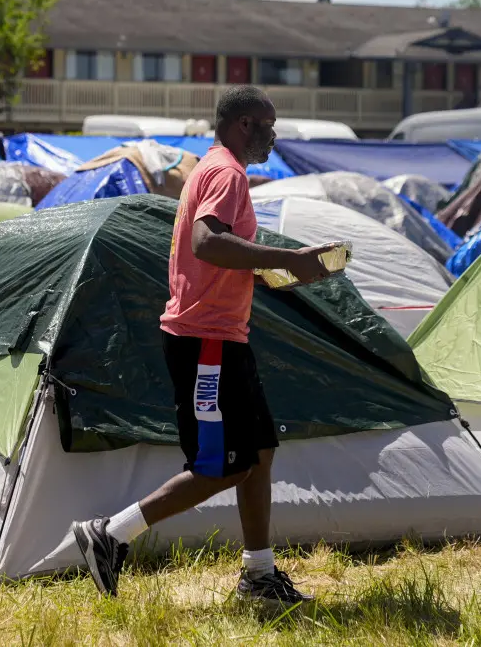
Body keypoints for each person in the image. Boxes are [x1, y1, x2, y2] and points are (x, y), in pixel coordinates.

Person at [70, 85, 341, 609]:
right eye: (269, 123)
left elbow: (220, 255)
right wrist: (285, 258)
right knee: (222, 466)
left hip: (223, 336)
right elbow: (206, 241)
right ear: (244, 124)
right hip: (206, 341)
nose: (274, 133)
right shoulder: (226, 173)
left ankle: (259, 576)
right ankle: (110, 533)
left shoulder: (214, 168)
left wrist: (280, 271)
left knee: (258, 454)